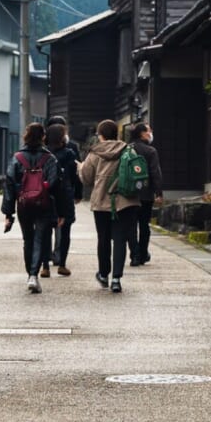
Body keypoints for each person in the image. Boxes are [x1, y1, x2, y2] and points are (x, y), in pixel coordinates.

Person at [1, 122, 65, 293]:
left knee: (27, 240)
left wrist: (8, 212)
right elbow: (55, 185)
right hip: (44, 205)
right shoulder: (50, 158)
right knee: (39, 239)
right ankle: (33, 276)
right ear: (43, 137)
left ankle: (30, 273)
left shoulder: (17, 158)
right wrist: (61, 211)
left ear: (26, 136)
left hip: (23, 204)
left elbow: (8, 183)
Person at [78, 119, 140, 293]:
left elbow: (87, 179)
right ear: (116, 134)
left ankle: (104, 274)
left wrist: (80, 168)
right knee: (120, 239)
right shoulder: (128, 150)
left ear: (101, 135)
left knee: (104, 239)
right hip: (125, 202)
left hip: (102, 202)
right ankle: (116, 279)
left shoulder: (95, 153)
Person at [42, 122, 82, 277]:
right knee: (65, 231)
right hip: (65, 195)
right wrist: (78, 194)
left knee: (45, 231)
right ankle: (62, 264)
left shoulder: (43, 153)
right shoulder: (69, 153)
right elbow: (75, 177)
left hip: (46, 195)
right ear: (62, 137)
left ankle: (45, 266)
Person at [127, 120, 163, 267]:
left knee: (131, 226)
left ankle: (134, 255)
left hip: (129, 193)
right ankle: (143, 254)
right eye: (148, 131)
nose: (150, 134)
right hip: (146, 193)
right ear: (142, 133)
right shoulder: (150, 151)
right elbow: (155, 172)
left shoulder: (127, 149)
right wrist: (158, 192)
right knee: (144, 225)